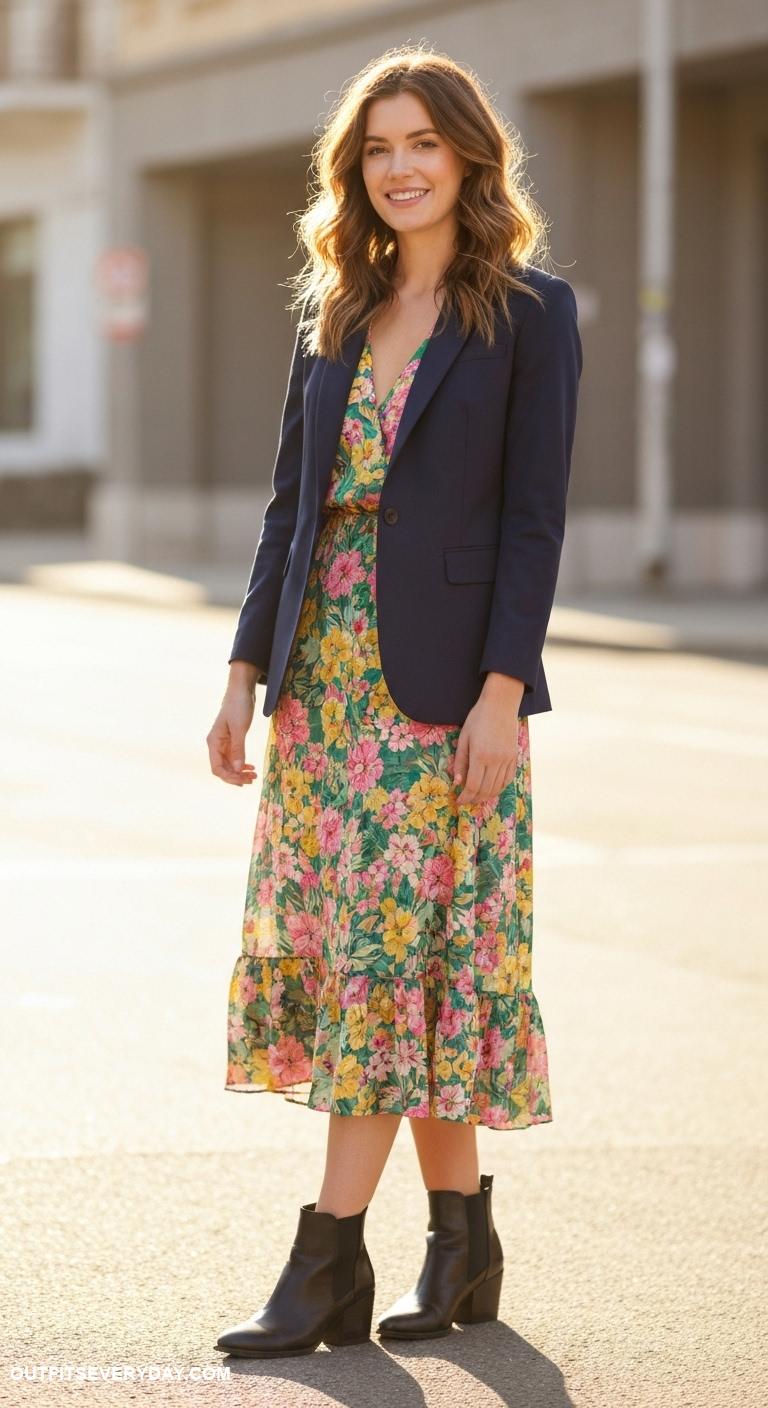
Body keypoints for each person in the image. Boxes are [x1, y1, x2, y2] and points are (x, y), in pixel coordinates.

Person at [207, 46, 582, 1358]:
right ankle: (463, 1247)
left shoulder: (530, 314)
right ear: (353, 171)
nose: (402, 166)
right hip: (326, 694)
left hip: (445, 701)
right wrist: (246, 671)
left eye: (423, 142)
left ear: (471, 156)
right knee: (398, 977)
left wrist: (501, 694)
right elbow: (287, 511)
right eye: (378, 147)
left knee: (394, 976)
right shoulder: (336, 310)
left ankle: (328, 1268)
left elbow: (533, 524)